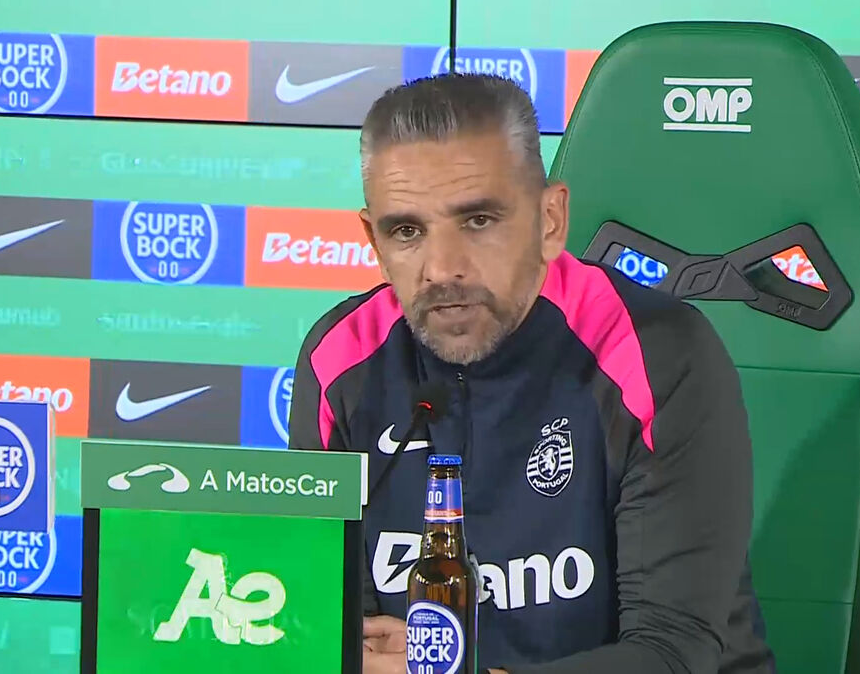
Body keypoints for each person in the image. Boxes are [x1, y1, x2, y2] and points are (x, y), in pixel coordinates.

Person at [289, 72, 777, 674]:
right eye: (407, 231)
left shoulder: (654, 352)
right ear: (373, 239)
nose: (442, 268)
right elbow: (338, 630)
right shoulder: (339, 360)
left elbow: (673, 652)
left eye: (478, 221)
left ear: (550, 220)